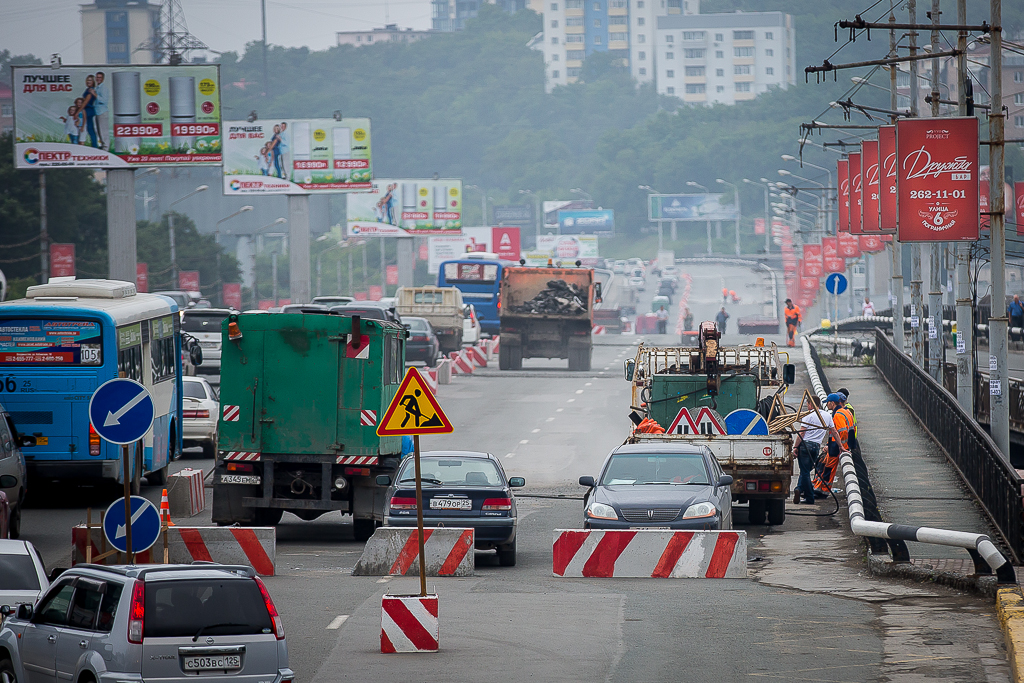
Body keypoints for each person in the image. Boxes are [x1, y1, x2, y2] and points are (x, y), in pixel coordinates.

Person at [792, 396, 838, 505]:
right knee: (806, 470)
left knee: (805, 472)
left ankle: (809, 497)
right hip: (816, 447)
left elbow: (801, 434)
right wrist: (841, 446)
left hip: (805, 446)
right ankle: (799, 488)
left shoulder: (808, 415)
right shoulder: (827, 416)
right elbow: (834, 432)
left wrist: (795, 447)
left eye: (808, 404)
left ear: (811, 404)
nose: (807, 407)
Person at [815, 393, 850, 497]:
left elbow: (842, 432)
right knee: (823, 465)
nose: (827, 405)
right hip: (837, 446)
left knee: (828, 469)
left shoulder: (838, 414)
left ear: (832, 403)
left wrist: (839, 446)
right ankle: (819, 487)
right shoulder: (844, 412)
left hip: (836, 448)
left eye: (828, 403)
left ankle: (823, 491)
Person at [80, 74, 98, 147]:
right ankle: (93, 145)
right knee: (89, 128)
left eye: (90, 80)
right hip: (86, 110)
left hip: (88, 111)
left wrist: (77, 112)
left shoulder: (91, 90)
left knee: (90, 129)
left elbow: (85, 102)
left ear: (93, 81)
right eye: (87, 80)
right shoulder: (88, 89)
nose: (88, 82)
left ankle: (94, 145)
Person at [93, 71, 108, 149]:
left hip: (102, 112)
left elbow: (104, 101)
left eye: (100, 77)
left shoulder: (103, 88)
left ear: (103, 79)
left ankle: (106, 147)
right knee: (99, 130)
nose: (98, 79)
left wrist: (95, 95)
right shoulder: (97, 88)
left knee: (103, 131)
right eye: (97, 77)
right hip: (97, 112)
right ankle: (103, 146)